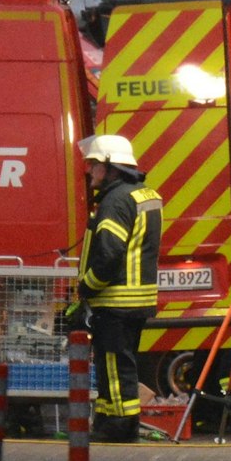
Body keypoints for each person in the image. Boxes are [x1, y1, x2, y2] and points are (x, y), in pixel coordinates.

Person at [74, 134, 161, 443]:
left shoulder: (116, 200)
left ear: (110, 167)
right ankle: (109, 420)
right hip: (137, 298)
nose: (89, 170)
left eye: (94, 164)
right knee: (119, 363)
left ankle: (119, 427)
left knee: (114, 365)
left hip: (116, 298)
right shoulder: (143, 195)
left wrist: (87, 286)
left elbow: (109, 253)